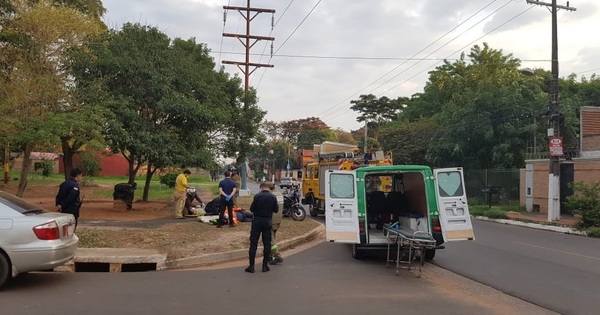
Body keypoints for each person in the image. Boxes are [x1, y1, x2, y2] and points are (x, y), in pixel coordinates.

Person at [245, 182, 278, 273]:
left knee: (253, 243)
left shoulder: (257, 196)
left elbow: (252, 209)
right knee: (267, 244)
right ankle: (265, 266)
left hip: (257, 221)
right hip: (267, 222)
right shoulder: (273, 197)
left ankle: (251, 266)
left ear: (261, 188)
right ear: (268, 188)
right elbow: (276, 210)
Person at [268, 183, 284, 265]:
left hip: (271, 219)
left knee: (270, 240)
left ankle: (277, 256)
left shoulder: (271, 196)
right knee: (273, 237)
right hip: (278, 219)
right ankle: (270, 256)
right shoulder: (280, 194)